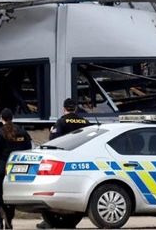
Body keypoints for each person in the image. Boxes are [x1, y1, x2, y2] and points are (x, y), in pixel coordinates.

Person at [37, 98, 92, 229]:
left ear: (64, 108)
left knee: (55, 191)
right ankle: (69, 220)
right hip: (82, 162)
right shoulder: (85, 122)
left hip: (64, 161)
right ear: (76, 108)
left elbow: (53, 141)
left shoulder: (61, 122)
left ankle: (50, 221)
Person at [0, 109, 32, 230]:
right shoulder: (22, 132)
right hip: (16, 167)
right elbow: (28, 148)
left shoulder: (0, 133)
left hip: (2, 166)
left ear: (1, 117)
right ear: (12, 117)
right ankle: (9, 219)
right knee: (10, 195)